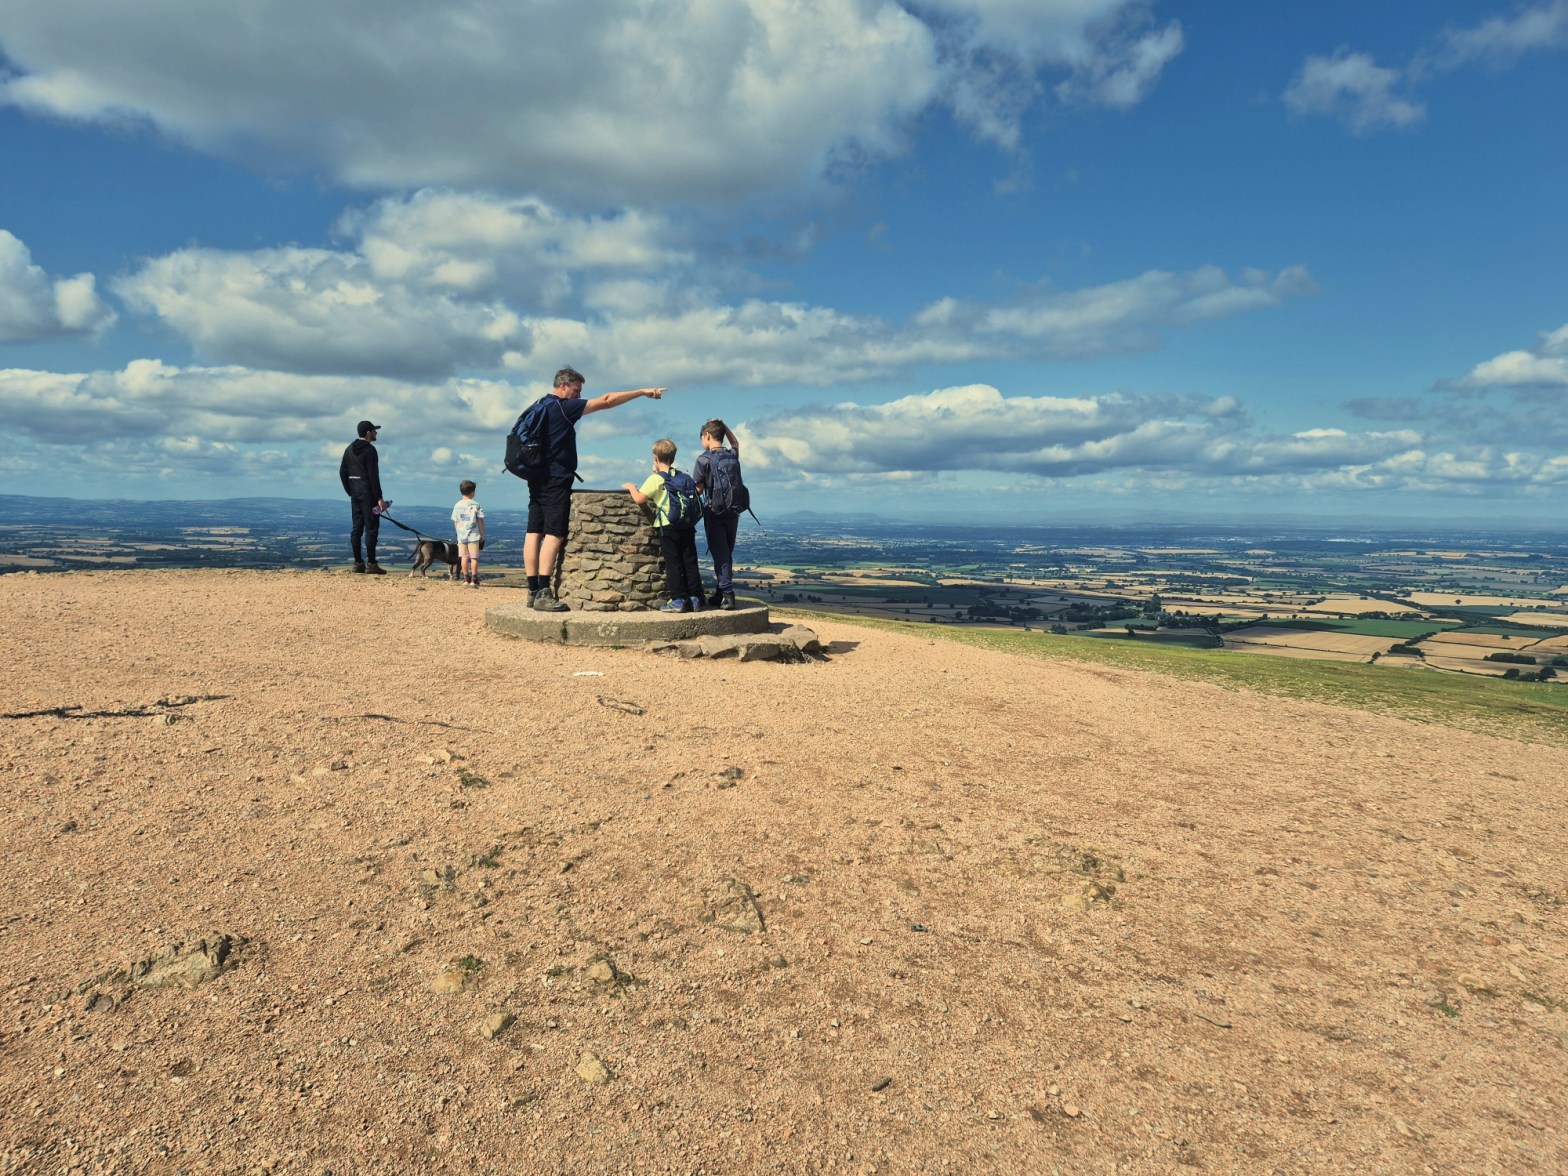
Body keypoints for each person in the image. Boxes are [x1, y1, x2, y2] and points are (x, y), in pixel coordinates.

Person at [523, 367, 667, 611]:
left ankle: (532, 589)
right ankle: (544, 593)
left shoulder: (539, 405)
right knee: (554, 533)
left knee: (533, 532)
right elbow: (607, 400)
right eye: (576, 390)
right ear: (563, 386)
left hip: (535, 476)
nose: (579, 396)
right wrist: (642, 391)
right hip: (555, 478)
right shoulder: (563, 407)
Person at [623, 438, 705, 613]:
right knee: (690, 562)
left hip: (668, 526)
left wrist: (631, 487)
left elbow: (639, 499)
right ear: (673, 457)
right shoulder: (684, 477)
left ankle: (677, 600)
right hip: (688, 525)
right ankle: (695, 598)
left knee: (673, 563)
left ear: (655, 457)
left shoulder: (656, 479)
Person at [693, 418, 743, 610]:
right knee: (726, 552)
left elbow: (698, 489)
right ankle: (720, 594)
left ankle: (728, 594)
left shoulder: (703, 459)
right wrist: (724, 425)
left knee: (719, 553)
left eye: (702, 438)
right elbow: (736, 442)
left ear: (707, 436)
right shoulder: (732, 454)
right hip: (734, 510)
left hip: (714, 511)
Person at [339, 420, 388, 574]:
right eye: (374, 431)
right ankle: (372, 564)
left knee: (356, 529)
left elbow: (342, 472)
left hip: (355, 494)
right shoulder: (370, 451)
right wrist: (379, 497)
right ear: (368, 433)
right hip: (369, 495)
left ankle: (358, 563)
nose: (376, 433)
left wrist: (350, 491)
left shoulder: (349, 449)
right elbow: (374, 476)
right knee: (371, 529)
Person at [452, 479, 485, 589]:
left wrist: (458, 534)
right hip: (473, 535)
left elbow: (455, 521)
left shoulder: (457, 505)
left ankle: (466, 579)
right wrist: (482, 534)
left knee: (464, 557)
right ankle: (474, 580)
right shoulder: (476, 504)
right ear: (472, 492)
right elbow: (480, 520)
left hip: (461, 536)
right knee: (474, 558)